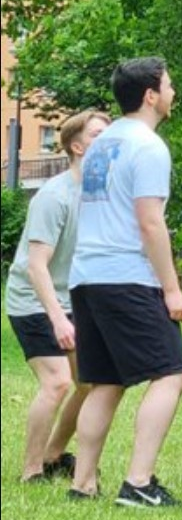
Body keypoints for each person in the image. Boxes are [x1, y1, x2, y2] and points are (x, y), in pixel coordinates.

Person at [67, 57, 182, 507]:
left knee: (106, 380)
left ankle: (82, 484)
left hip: (87, 276)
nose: (174, 91)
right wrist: (172, 289)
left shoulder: (101, 144)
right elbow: (150, 224)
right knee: (172, 375)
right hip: (126, 277)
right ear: (151, 95)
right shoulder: (149, 146)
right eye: (169, 83)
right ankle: (138, 484)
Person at [5, 110, 110, 483]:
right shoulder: (54, 197)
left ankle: (53, 456)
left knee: (91, 382)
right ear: (78, 147)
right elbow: (36, 267)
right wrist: (57, 318)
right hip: (33, 299)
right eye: (99, 135)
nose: (108, 140)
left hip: (73, 299)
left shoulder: (103, 195)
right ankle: (31, 471)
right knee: (57, 382)